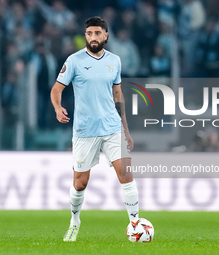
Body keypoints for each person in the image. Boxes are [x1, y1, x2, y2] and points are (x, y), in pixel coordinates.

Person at [50, 16, 139, 242]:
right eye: (89, 34)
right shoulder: (74, 61)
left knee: (126, 174)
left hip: (112, 127)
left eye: (97, 33)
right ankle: (74, 220)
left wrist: (126, 130)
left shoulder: (114, 61)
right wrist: (58, 107)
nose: (93, 38)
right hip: (85, 130)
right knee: (80, 182)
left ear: (105, 35)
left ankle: (135, 223)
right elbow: (56, 89)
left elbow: (118, 96)